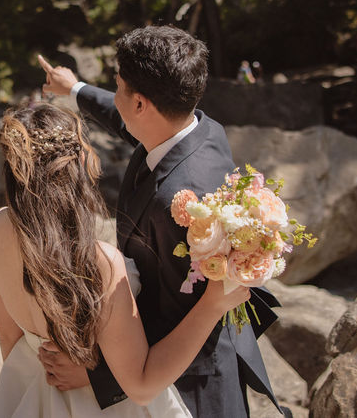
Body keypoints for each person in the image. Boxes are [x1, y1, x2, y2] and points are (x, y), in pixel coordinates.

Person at [37, 25, 287, 417]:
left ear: (140, 103)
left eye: (117, 86)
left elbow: (183, 319)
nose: (115, 93)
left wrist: (98, 371)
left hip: (192, 386)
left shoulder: (179, 204)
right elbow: (127, 122)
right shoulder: (201, 130)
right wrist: (75, 89)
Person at [0, 103, 252, 417]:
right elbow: (142, 386)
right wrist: (212, 306)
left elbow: (10, 339)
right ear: (77, 162)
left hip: (34, 395)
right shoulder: (100, 263)